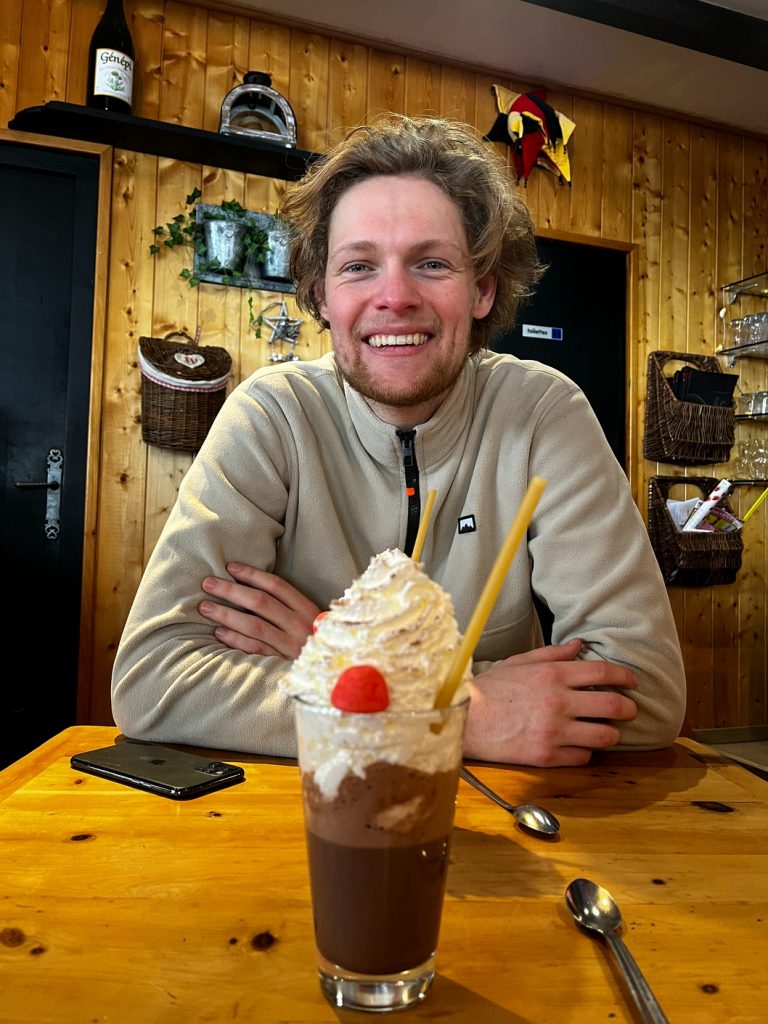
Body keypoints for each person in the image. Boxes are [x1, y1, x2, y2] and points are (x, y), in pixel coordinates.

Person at [112, 115, 686, 766]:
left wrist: (336, 658)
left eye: (432, 263)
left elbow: (648, 691)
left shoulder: (542, 414)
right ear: (322, 295)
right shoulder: (273, 417)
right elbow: (155, 682)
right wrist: (455, 711)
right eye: (359, 266)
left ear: (482, 289)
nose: (394, 297)